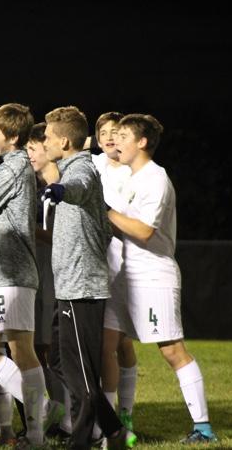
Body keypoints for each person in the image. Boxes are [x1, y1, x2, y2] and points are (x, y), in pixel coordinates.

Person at [109, 113, 217, 444]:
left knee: (171, 351)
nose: (117, 141)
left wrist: (104, 212)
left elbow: (142, 230)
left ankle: (203, 428)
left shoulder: (155, 178)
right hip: (122, 274)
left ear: (142, 142)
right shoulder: (128, 176)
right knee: (106, 344)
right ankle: (113, 424)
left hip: (152, 275)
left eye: (124, 136)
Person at [42, 106, 134, 450]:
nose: (45, 140)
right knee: (59, 362)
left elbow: (77, 187)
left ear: (64, 141)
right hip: (69, 287)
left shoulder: (80, 169)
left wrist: (59, 191)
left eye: (49, 136)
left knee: (81, 376)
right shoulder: (71, 168)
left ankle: (80, 442)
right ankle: (112, 428)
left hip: (81, 288)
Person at [0, 103, 53, 450]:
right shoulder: (11, 169)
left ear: (12, 136)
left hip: (12, 272)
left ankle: (37, 432)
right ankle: (33, 415)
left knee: (22, 351)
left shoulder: (15, 167)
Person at [90, 112, 138, 441]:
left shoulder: (135, 173)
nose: (109, 137)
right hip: (95, 263)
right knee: (105, 344)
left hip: (124, 264)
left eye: (115, 132)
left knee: (118, 343)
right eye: (103, 132)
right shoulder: (92, 165)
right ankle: (108, 422)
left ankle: (123, 416)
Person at [26, 123, 71, 440]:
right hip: (37, 273)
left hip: (58, 275)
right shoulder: (34, 186)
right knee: (40, 349)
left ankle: (71, 419)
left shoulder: (65, 185)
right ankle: (55, 414)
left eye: (34, 148)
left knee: (58, 350)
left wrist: (27, 228)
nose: (30, 154)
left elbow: (63, 236)